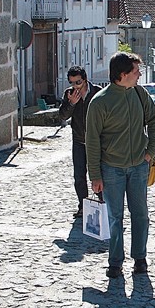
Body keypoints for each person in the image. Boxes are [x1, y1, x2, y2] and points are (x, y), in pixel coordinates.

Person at [86, 52, 155, 279]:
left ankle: (140, 258)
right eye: (136, 71)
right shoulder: (100, 102)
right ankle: (115, 262)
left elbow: (154, 122)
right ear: (123, 74)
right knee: (114, 217)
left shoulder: (140, 94)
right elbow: (92, 141)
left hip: (139, 167)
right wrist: (95, 176)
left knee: (141, 215)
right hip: (111, 169)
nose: (139, 75)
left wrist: (149, 153)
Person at [58, 66, 102, 219]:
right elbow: (63, 115)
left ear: (85, 79)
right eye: (72, 83)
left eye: (78, 82)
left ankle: (104, 204)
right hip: (78, 141)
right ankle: (83, 206)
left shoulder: (97, 92)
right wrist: (71, 103)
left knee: (98, 174)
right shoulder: (69, 94)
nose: (75, 86)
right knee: (79, 176)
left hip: (97, 142)